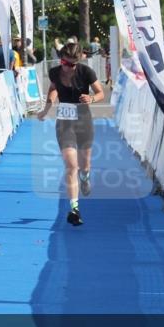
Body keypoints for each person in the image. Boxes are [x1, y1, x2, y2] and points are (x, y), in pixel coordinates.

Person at [37, 41, 105, 226]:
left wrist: (91, 98)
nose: (68, 68)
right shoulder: (54, 72)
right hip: (64, 124)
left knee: (84, 165)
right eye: (65, 63)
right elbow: (53, 89)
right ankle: (74, 209)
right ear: (61, 60)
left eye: (72, 64)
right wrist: (46, 108)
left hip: (84, 123)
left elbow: (101, 93)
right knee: (71, 166)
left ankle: (86, 177)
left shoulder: (86, 72)